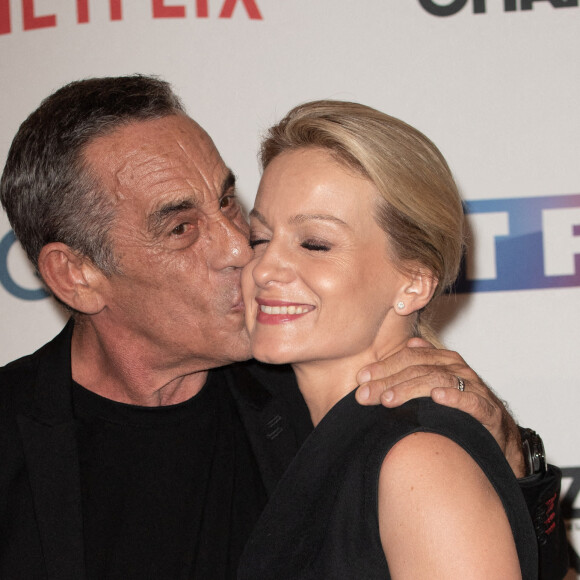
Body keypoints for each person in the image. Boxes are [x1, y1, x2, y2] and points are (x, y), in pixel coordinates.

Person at [0, 76, 566, 579]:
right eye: (180, 227)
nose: (239, 249)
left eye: (227, 201)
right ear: (75, 275)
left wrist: (509, 466)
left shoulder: (326, 393)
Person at [238, 100, 567, 579]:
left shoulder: (419, 460)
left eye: (315, 244)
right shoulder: (292, 430)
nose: (264, 269)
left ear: (413, 282)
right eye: (259, 238)